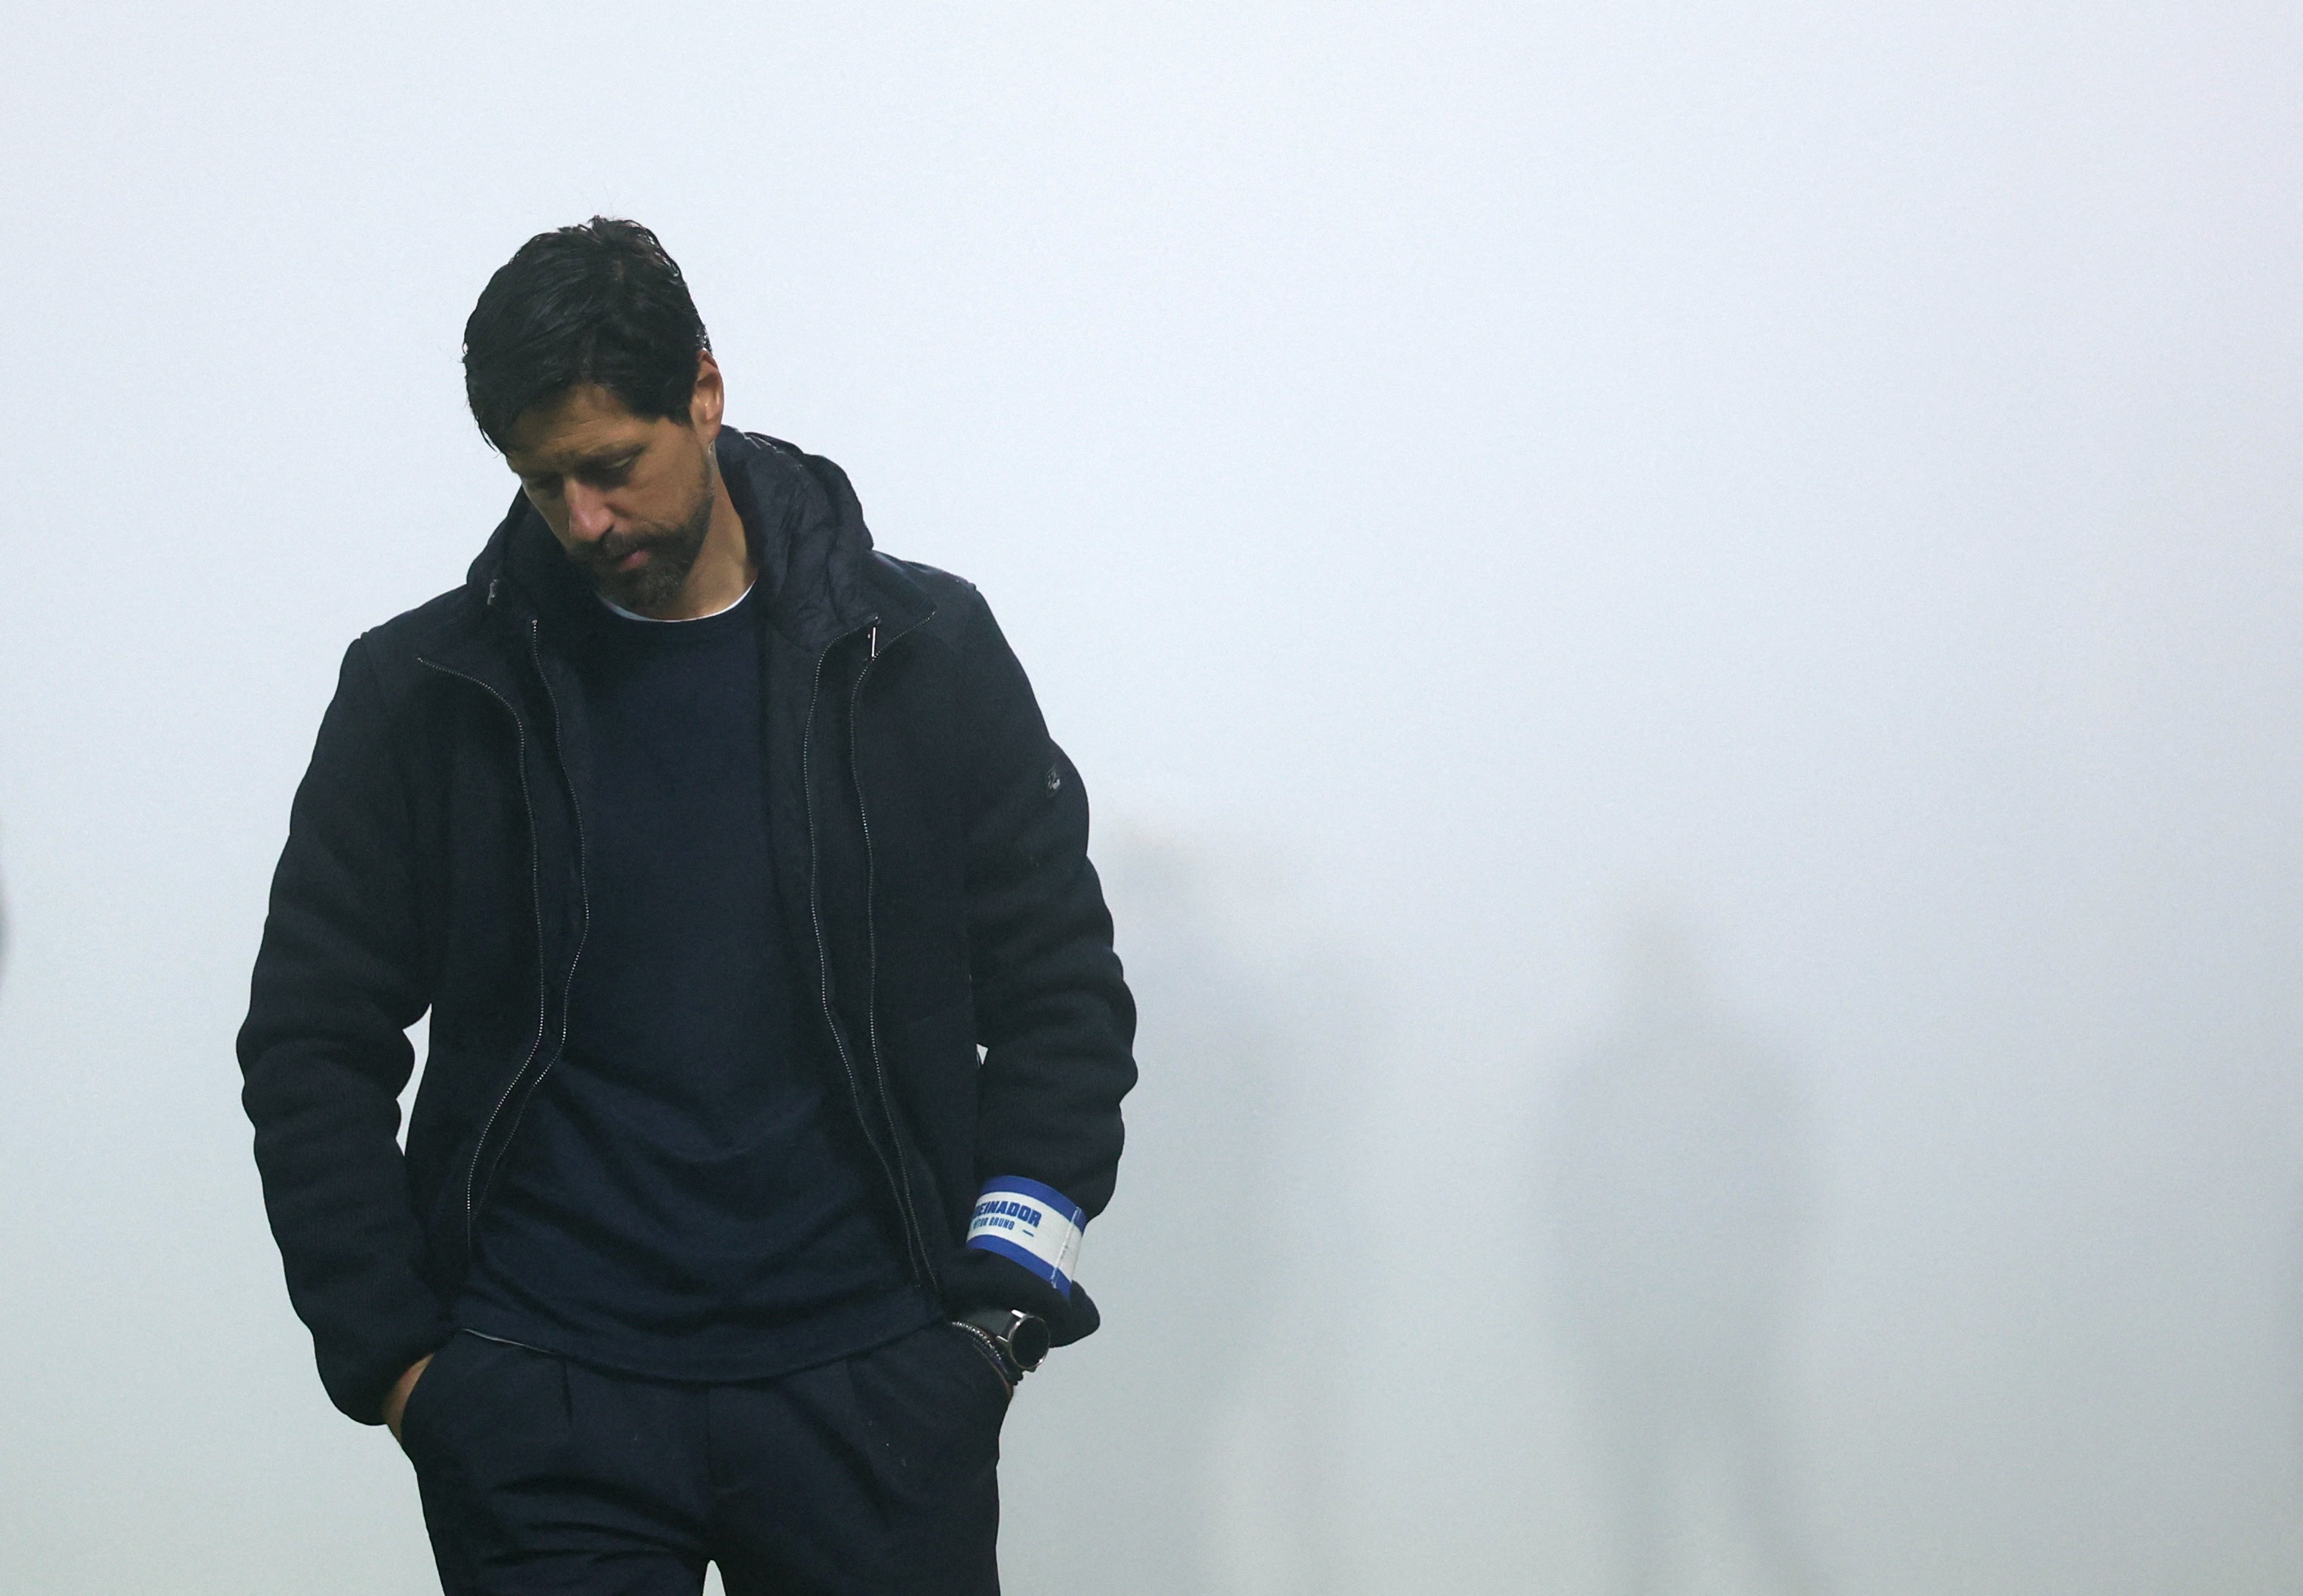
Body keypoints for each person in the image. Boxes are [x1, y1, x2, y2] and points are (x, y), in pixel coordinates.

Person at [238, 217, 1137, 1596]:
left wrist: (997, 1317)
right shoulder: (426, 690)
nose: (583, 521)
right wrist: (402, 1364)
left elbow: (1060, 995)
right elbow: (312, 1035)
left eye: (611, 468)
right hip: (542, 1394)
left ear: (704, 394)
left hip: (874, 1391)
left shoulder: (924, 657)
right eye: (542, 485)